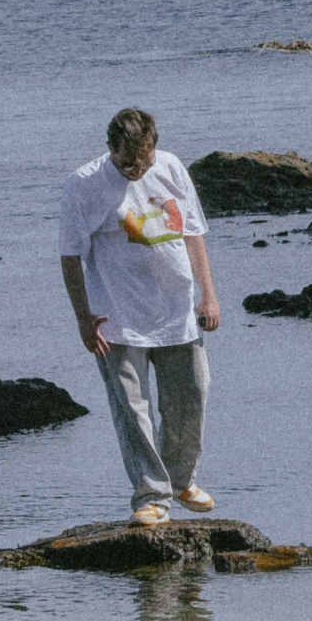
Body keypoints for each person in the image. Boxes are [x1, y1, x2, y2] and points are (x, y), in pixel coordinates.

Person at [59, 107, 221, 525]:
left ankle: (181, 478)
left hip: (177, 309)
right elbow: (71, 255)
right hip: (118, 317)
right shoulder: (84, 184)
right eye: (127, 161)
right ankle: (151, 496)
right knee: (133, 411)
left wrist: (209, 297)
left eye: (143, 160)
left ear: (154, 147)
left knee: (193, 395)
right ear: (109, 147)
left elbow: (192, 232)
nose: (136, 169)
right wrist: (83, 317)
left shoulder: (170, 166)